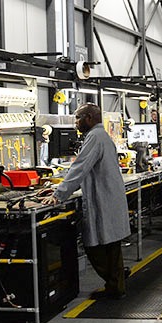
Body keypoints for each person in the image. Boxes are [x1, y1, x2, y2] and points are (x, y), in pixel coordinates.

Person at [42, 103, 130, 299]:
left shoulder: (95, 137)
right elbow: (87, 170)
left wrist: (58, 195)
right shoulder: (101, 135)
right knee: (111, 246)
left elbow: (79, 168)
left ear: (89, 118)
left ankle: (115, 283)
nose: (75, 122)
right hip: (108, 197)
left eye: (78, 118)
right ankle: (116, 282)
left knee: (94, 246)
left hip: (104, 199)